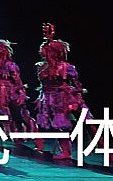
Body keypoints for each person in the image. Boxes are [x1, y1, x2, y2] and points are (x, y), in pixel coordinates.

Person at [31, 23, 88, 159]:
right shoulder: (42, 66)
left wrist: (78, 95)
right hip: (48, 97)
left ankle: (104, 150)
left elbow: (76, 83)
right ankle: (64, 151)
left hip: (63, 97)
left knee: (84, 122)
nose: (41, 51)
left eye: (44, 49)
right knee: (57, 125)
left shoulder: (66, 67)